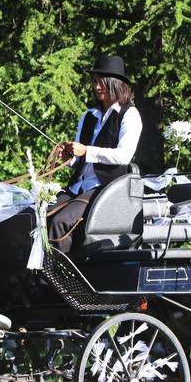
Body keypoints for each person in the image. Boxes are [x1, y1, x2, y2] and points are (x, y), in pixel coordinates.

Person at [47, 55, 143, 254]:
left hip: (104, 189)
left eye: (102, 82)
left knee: (59, 222)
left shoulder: (130, 115)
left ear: (115, 84)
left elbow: (123, 156)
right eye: (95, 81)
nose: (97, 86)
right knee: (39, 216)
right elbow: (80, 159)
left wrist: (86, 151)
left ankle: (59, 278)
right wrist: (70, 157)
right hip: (78, 187)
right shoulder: (88, 116)